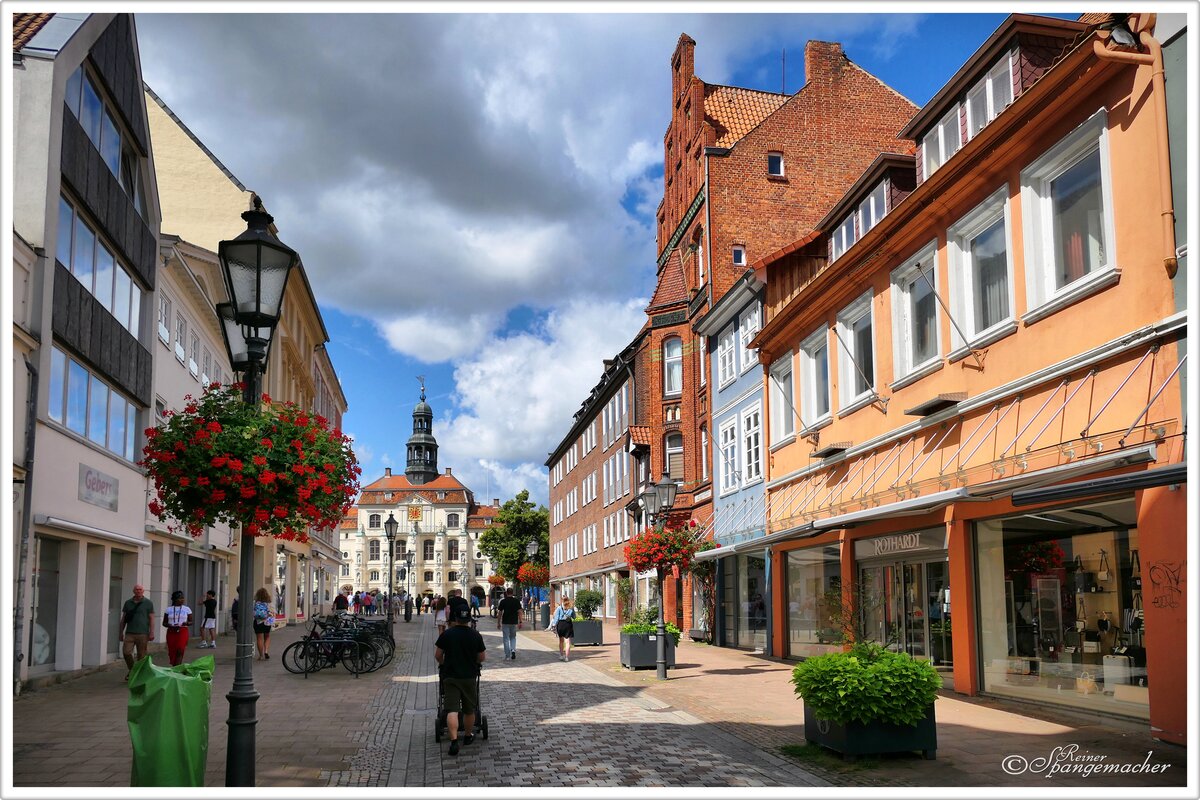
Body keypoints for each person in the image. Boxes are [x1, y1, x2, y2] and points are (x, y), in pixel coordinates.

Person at [434, 605, 486, 756]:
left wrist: (444, 663)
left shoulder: (447, 634)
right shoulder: (475, 635)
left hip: (450, 676)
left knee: (452, 709)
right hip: (469, 676)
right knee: (469, 709)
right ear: (468, 619)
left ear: (455, 619)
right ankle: (468, 735)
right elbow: (482, 657)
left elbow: (438, 655)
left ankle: (454, 740)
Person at [118, 583, 155, 681]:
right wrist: (120, 632)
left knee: (141, 656)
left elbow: (151, 618)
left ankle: (139, 675)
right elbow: (123, 619)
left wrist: (152, 632)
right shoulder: (128, 603)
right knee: (126, 652)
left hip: (143, 633)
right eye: (136, 589)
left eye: (140, 589)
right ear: (133, 591)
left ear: (143, 591)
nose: (138, 591)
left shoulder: (148, 603)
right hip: (130, 633)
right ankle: (132, 670)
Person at [163, 590, 193, 666]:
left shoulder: (187, 609)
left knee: (180, 649)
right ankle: (174, 666)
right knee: (172, 650)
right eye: (180, 598)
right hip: (171, 631)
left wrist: (186, 623)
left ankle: (177, 668)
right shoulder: (168, 609)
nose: (182, 600)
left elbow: (191, 622)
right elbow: (164, 623)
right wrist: (169, 625)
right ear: (175, 599)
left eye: (183, 598)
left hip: (182, 631)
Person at [497, 588, 523, 660]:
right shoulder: (516, 601)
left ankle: (507, 656)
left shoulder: (503, 601)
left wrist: (498, 622)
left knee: (506, 639)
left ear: (506, 593)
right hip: (514, 622)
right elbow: (520, 612)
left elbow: (500, 613)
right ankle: (513, 650)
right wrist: (520, 622)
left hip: (505, 622)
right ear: (512, 593)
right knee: (513, 637)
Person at [547, 596, 576, 662]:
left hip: (561, 625)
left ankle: (561, 655)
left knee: (561, 641)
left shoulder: (559, 608)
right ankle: (567, 657)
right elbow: (574, 617)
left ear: (562, 601)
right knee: (568, 642)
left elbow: (556, 618)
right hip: (568, 624)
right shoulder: (571, 608)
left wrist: (553, 625)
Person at [253, 587, 274, 660]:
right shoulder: (269, 603)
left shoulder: (255, 602)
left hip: (258, 621)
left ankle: (261, 655)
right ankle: (266, 651)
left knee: (259, 638)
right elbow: (273, 613)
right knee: (267, 636)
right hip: (267, 621)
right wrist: (272, 623)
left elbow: (252, 612)